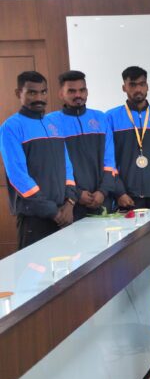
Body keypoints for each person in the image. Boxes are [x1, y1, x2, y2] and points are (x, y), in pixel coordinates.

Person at [0, 71, 76, 248]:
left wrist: (70, 202)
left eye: (43, 92)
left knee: (65, 270)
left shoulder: (53, 124)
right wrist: (52, 211)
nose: (39, 98)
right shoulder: (11, 127)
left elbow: (67, 165)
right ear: (19, 93)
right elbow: (18, 176)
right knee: (35, 274)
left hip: (64, 214)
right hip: (35, 219)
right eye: (32, 93)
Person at [45, 70, 116, 220]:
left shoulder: (101, 118)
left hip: (102, 200)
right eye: (71, 91)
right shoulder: (50, 123)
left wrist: (103, 192)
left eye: (82, 90)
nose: (78, 95)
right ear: (61, 94)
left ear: (87, 92)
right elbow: (53, 167)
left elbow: (110, 161)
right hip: (70, 204)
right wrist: (77, 194)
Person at [106, 66, 150, 209]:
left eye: (142, 84)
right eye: (132, 85)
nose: (138, 89)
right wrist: (119, 192)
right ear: (124, 87)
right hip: (127, 195)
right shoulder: (111, 117)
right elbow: (109, 160)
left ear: (147, 86)